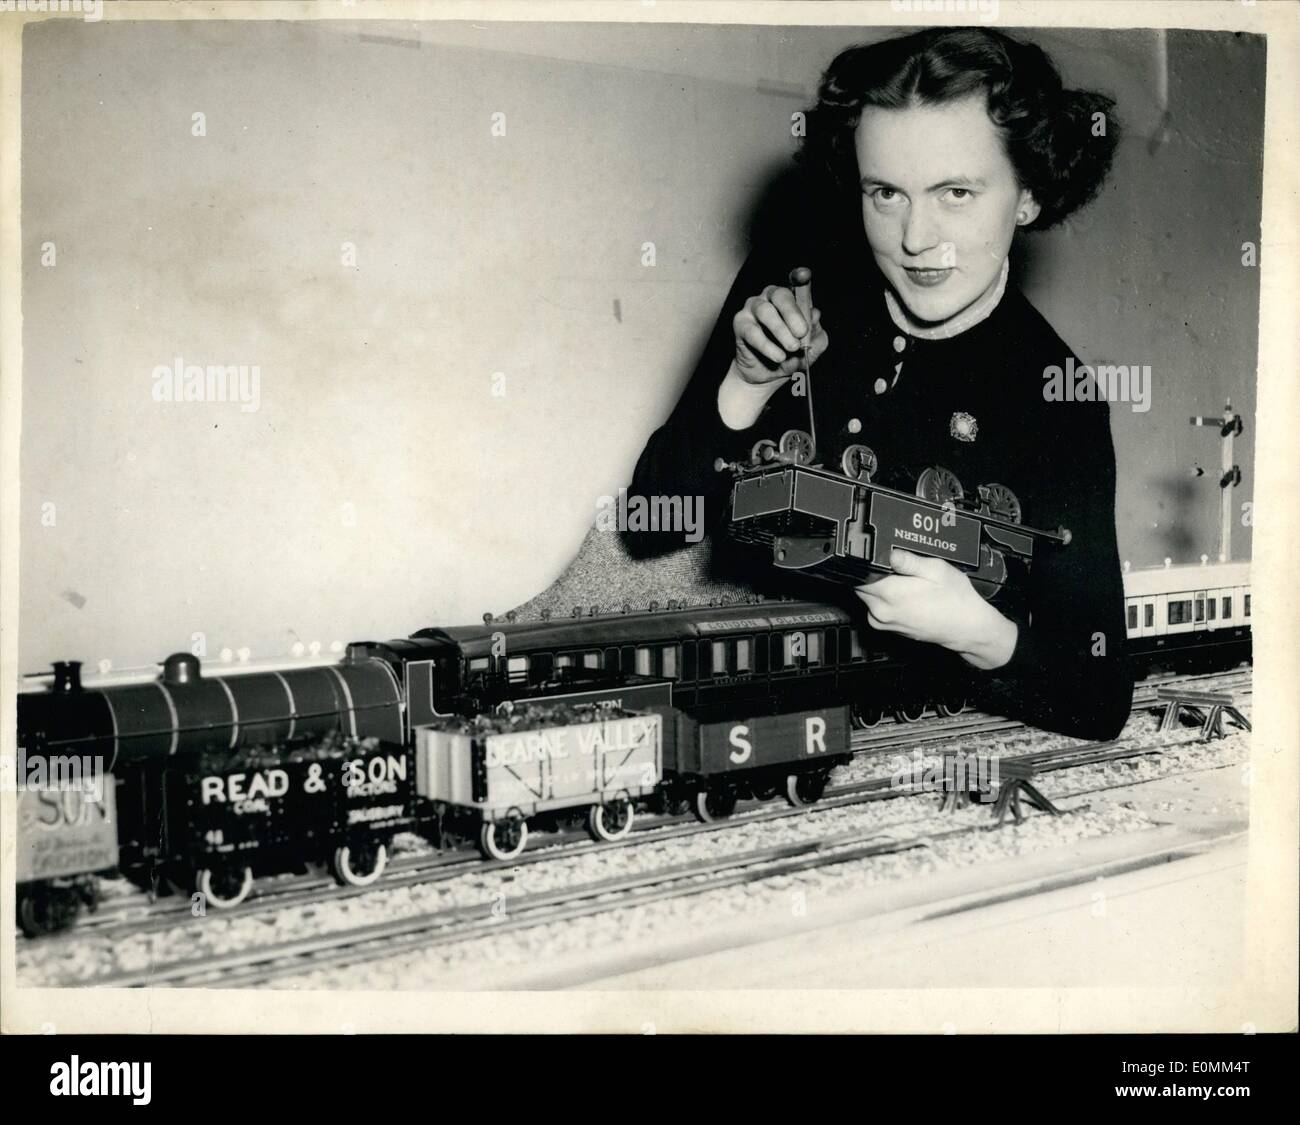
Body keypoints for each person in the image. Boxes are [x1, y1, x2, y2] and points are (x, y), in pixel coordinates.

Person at [625, 27, 1134, 740]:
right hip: (728, 706)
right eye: (885, 193)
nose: (916, 237)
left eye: (955, 192)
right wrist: (744, 384)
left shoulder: (1057, 395)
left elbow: (1098, 695)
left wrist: (977, 630)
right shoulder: (793, 282)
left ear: (1029, 195)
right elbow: (651, 521)